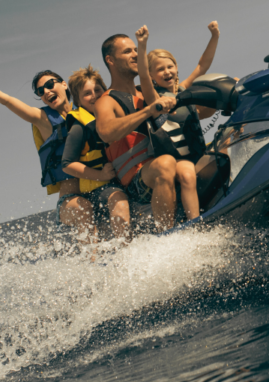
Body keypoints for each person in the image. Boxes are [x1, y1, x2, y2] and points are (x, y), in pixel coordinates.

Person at [0, 61, 96, 237]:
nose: (47, 91)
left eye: (50, 85)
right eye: (40, 92)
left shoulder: (86, 111)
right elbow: (7, 100)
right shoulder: (43, 119)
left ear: (64, 84)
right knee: (84, 210)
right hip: (71, 203)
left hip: (97, 190)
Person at [93, 32, 179, 230]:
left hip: (164, 168)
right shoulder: (106, 101)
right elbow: (106, 132)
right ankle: (167, 237)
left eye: (135, 50)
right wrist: (149, 110)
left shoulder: (146, 91)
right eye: (127, 51)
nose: (135, 55)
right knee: (165, 164)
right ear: (111, 60)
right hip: (136, 183)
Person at [137, 21, 221, 221]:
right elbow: (142, 76)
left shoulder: (184, 90)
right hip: (175, 162)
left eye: (170, 66)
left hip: (199, 155)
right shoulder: (154, 99)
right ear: (152, 75)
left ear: (176, 67)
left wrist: (214, 36)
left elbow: (202, 65)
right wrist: (142, 45)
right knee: (187, 172)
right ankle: (194, 223)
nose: (167, 72)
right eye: (160, 69)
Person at [62, 65, 131, 240]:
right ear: (77, 101)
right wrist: (100, 175)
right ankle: (126, 250)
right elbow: (67, 164)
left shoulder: (114, 114)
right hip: (100, 188)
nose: (94, 95)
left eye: (98, 90)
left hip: (125, 176)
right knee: (119, 199)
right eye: (87, 93)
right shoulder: (79, 127)